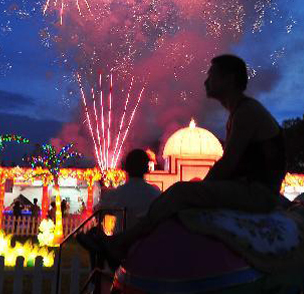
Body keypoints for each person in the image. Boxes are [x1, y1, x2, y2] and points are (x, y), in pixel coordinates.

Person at [80, 54, 286, 267]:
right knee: (184, 194)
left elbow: (228, 163)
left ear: (229, 79)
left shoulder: (246, 112)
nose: (206, 81)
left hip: (257, 194)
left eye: (212, 75)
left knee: (180, 192)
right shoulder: (240, 112)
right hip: (250, 189)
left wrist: (200, 190)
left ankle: (122, 243)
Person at [94, 149, 162, 233]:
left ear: (126, 168)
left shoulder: (117, 194)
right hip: (146, 243)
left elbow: (98, 211)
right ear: (147, 168)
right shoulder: (156, 194)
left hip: (123, 243)